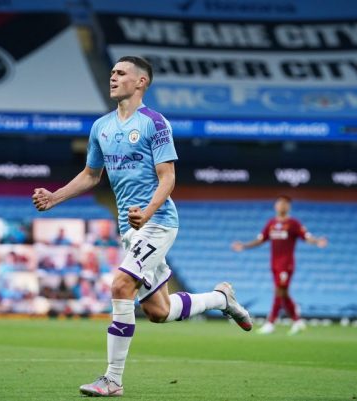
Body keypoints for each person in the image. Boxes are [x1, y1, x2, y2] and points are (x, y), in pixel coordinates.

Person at [32, 56, 252, 397]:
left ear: (141, 82)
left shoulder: (154, 122)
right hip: (130, 228)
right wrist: (55, 197)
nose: (113, 78)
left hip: (158, 222)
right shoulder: (101, 127)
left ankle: (112, 380)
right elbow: (92, 175)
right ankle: (221, 298)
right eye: (112, 73)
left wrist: (148, 212)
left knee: (121, 286)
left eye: (121, 73)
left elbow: (169, 178)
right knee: (159, 312)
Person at [231, 195, 327, 335]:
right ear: (275, 206)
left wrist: (317, 241)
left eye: (284, 203)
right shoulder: (271, 223)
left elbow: (306, 236)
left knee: (279, 291)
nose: (281, 205)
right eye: (279, 203)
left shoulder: (293, 223)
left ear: (288, 207)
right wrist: (244, 245)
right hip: (274, 264)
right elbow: (260, 240)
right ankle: (297, 321)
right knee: (284, 293)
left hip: (286, 264)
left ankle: (271, 323)